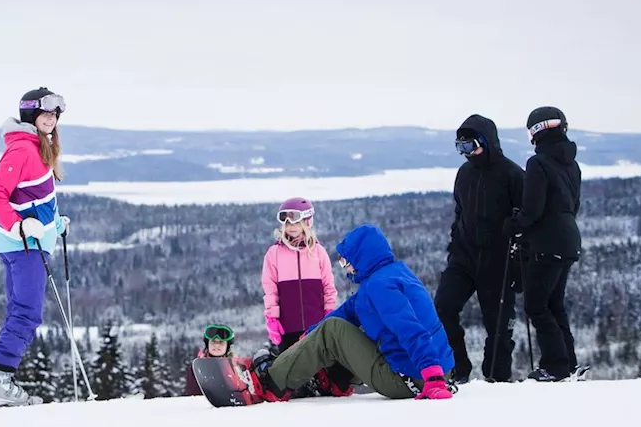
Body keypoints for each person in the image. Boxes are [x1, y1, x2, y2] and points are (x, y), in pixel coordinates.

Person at [248, 223, 457, 401]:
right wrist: (308, 337)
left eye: (346, 261)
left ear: (361, 258)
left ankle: (268, 383)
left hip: (413, 378)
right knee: (347, 326)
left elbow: (410, 329)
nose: (346, 267)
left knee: (333, 330)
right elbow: (347, 312)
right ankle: (334, 379)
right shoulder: (391, 275)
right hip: (433, 371)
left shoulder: (380, 287)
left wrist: (433, 377)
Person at [0, 87, 71, 406]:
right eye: (45, 112)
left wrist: (57, 224)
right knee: (27, 314)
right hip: (23, 246)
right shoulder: (22, 150)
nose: (52, 117)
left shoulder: (39, 148)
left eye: (56, 113)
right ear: (30, 114)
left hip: (31, 244)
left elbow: (39, 199)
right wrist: (16, 226)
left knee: (21, 311)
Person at [434, 114, 525, 383]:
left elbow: (527, 221)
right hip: (464, 258)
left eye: (471, 146)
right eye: (460, 147)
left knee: (498, 327)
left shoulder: (512, 175)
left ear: (486, 141)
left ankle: (496, 379)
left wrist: (520, 262)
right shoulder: (464, 173)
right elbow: (459, 213)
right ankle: (458, 369)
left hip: (498, 262)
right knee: (442, 309)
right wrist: (454, 246)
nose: (466, 153)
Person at [503, 106, 584, 382]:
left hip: (546, 243)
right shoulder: (571, 164)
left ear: (535, 132)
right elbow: (573, 205)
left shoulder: (538, 164)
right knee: (554, 304)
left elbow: (533, 209)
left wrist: (515, 223)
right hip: (569, 239)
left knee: (537, 306)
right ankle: (568, 363)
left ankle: (556, 366)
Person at [262, 197, 337, 351]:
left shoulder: (318, 252)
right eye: (287, 223)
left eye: (296, 222)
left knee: (319, 370)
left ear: (307, 223)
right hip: (287, 327)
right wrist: (272, 318)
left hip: (316, 326)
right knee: (291, 371)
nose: (291, 227)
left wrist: (330, 312)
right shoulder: (274, 253)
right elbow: (270, 290)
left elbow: (328, 286)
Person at [184, 324, 251, 396]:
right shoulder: (196, 368)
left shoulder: (236, 367)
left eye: (221, 343)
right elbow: (193, 393)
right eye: (213, 342)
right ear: (207, 345)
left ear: (227, 347)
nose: (216, 346)